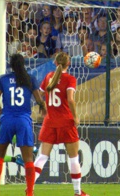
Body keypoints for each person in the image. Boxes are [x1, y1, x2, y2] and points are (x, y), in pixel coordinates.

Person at [33, 52, 89, 196]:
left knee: (42, 157)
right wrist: (76, 117)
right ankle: (77, 192)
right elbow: (70, 100)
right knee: (73, 158)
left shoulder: (48, 77)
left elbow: (39, 93)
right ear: (68, 64)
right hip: (65, 122)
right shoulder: (70, 79)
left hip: (50, 121)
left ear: (55, 63)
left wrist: (43, 106)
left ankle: (29, 187)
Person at [0, 54, 46, 196]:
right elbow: (39, 100)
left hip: (7, 119)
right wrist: (43, 108)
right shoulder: (30, 79)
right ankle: (29, 193)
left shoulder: (3, 79)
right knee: (28, 159)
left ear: (11, 65)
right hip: (23, 120)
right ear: (23, 64)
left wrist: (0, 110)